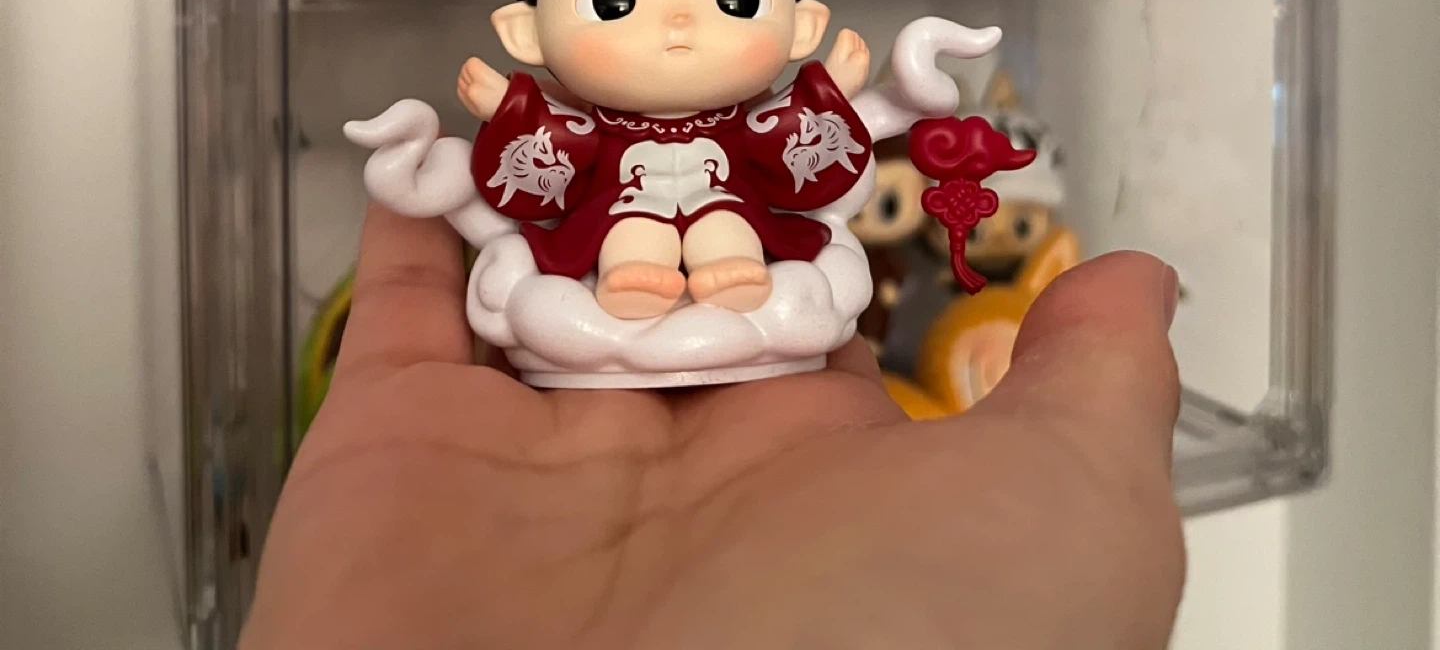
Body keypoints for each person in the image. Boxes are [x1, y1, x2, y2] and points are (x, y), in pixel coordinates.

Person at [240, 208, 1184, 650]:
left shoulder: (766, 144)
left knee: (736, 242)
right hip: (611, 270)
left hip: (745, 274)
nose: (678, 26)